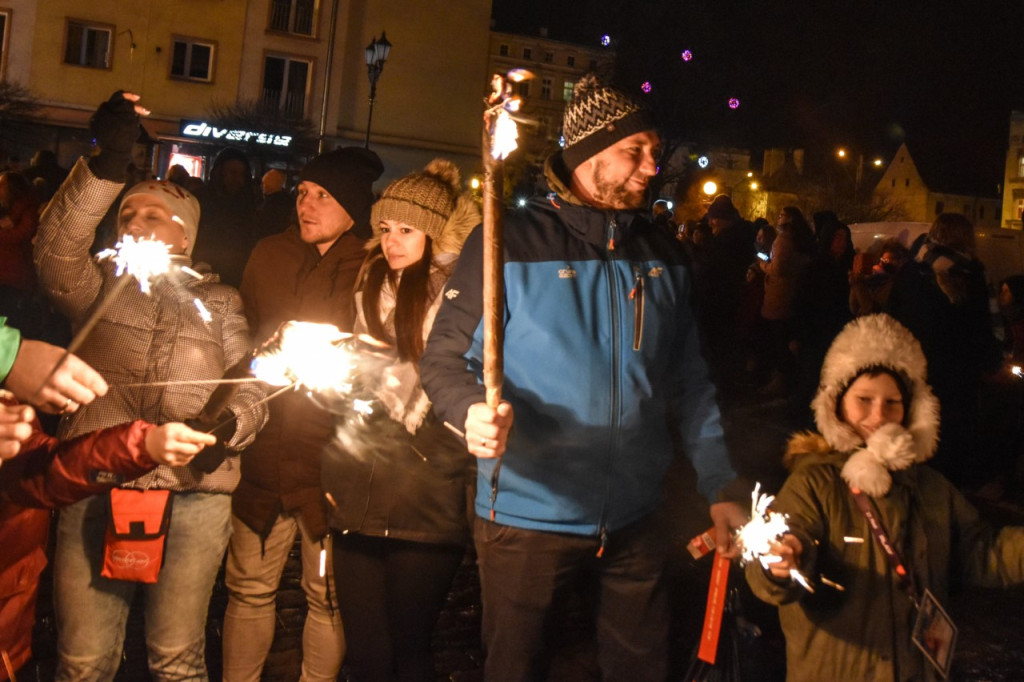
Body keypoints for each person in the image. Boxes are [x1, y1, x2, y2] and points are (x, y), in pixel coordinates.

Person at [420, 74, 747, 681]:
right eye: (634, 152)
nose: (652, 167)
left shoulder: (665, 255)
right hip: (526, 516)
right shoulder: (507, 243)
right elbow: (443, 358)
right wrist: (468, 410)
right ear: (587, 155)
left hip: (637, 516)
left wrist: (720, 483)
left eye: (654, 151)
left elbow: (693, 383)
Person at [33, 91, 268, 682]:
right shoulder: (95, 288)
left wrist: (228, 427)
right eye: (127, 214)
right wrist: (107, 163)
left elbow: (253, 382)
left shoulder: (221, 301)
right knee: (84, 661)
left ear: (187, 236)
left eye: (154, 215)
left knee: (176, 659)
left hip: (193, 495)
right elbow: (55, 251)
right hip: (95, 482)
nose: (136, 220)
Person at [745, 313, 1024, 682]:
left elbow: (979, 551)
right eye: (864, 399)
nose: (879, 415)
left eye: (892, 402)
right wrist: (781, 560)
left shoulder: (930, 487)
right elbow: (790, 536)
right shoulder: (814, 483)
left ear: (911, 409)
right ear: (837, 403)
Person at [223, 145, 384, 682]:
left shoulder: (374, 264)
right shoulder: (269, 253)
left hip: (331, 458)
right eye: (303, 193)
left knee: (327, 597)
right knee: (248, 587)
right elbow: (243, 339)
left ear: (353, 208)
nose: (306, 205)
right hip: (266, 447)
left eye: (323, 196)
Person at [323, 159, 479, 681]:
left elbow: (461, 385)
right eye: (385, 230)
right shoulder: (369, 283)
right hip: (359, 490)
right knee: (367, 654)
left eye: (407, 231)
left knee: (410, 649)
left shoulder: (462, 295)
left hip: (425, 497)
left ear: (434, 235)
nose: (392, 242)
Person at [885, 213, 1002, 487]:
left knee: (913, 438)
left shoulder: (911, 272)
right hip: (956, 379)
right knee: (948, 444)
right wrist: (991, 362)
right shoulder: (973, 276)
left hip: (913, 372)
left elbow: (891, 320)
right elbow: (981, 328)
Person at [191, 147, 258, 287]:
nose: (238, 179)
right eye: (233, 173)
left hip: (235, 279)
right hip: (200, 277)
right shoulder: (199, 201)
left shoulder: (248, 206)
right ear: (219, 173)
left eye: (242, 174)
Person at [252, 168, 295, 241]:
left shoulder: (270, 203)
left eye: (264, 183)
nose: (262, 186)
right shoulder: (287, 200)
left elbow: (263, 226)